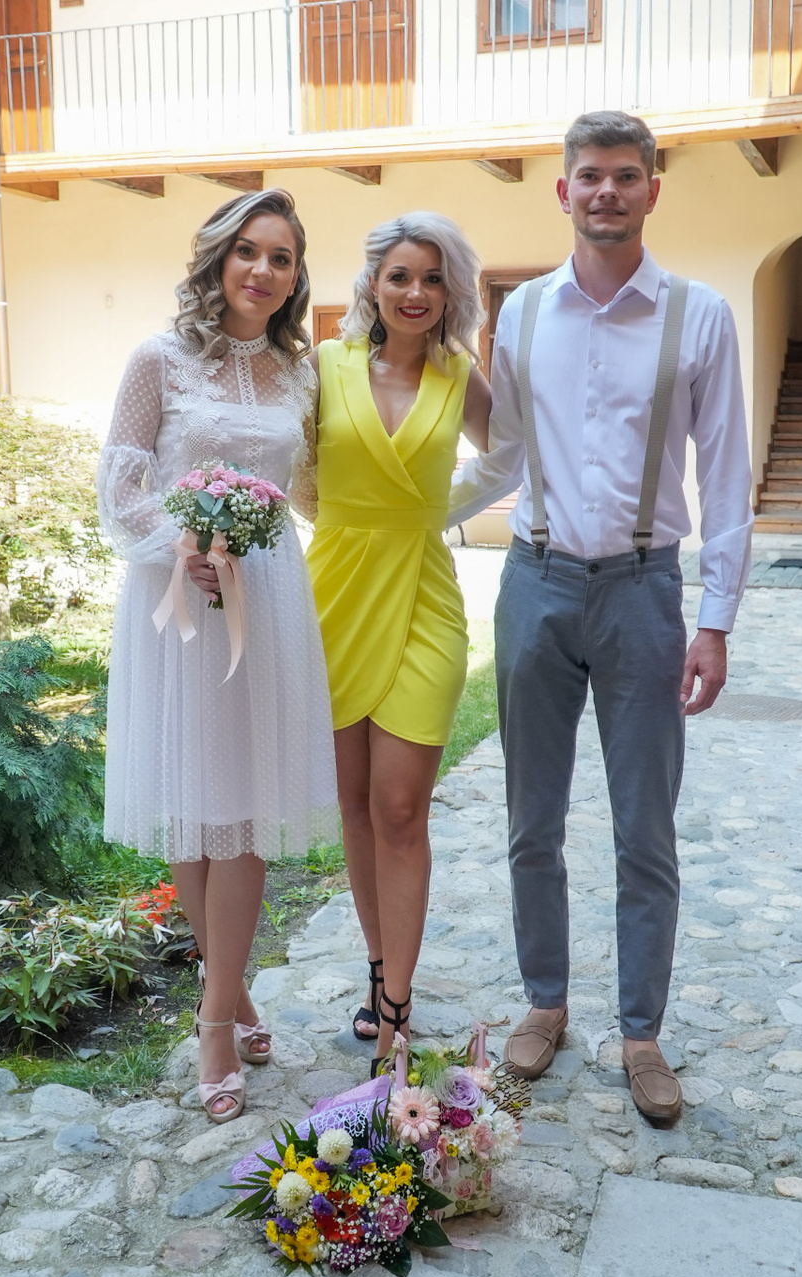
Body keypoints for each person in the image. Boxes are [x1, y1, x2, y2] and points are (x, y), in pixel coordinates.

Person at [446, 111, 752, 1122]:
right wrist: (405, 515)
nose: (606, 192)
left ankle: (641, 1031)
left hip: (643, 590)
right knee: (531, 817)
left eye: (625, 175)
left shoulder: (700, 315)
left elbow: (727, 475)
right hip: (534, 583)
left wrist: (715, 620)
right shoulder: (524, 313)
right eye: (589, 176)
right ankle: (545, 1000)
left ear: (653, 189)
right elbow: (502, 454)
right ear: (564, 191)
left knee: (644, 826)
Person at [98, 189, 338, 1124]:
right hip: (176, 598)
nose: (262, 271)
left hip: (265, 598)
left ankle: (213, 1019)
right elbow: (121, 481)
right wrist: (183, 545)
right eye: (247, 251)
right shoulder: (156, 360)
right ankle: (230, 993)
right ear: (216, 260)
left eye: (281, 258)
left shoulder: (300, 374)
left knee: (242, 810)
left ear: (295, 276)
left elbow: (310, 486)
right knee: (193, 811)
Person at [296, 213, 493, 1075]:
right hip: (333, 594)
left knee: (402, 809)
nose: (416, 292)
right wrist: (333, 519)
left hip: (423, 598)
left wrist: (430, 513)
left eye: (434, 278)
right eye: (401, 275)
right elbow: (289, 464)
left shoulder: (461, 375)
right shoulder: (323, 367)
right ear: (373, 283)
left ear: (453, 293)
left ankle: (398, 1011)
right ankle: (378, 970)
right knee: (355, 805)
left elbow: (512, 457)